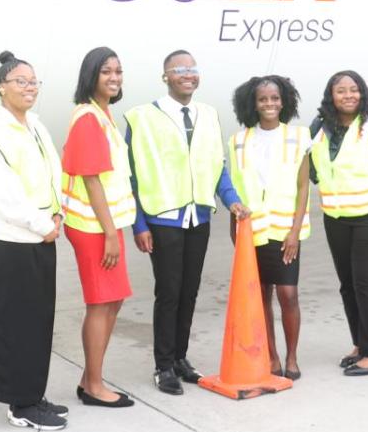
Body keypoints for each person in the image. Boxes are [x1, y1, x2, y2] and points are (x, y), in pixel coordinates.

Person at [0, 51, 68, 431]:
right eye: (20, 81)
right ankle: (20, 404)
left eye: (34, 81)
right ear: (1, 87)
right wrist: (42, 224)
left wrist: (57, 214)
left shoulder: (35, 126)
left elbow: (54, 175)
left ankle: (33, 392)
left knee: (37, 322)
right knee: (13, 325)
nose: (29, 87)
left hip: (39, 237)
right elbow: (6, 197)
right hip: (7, 242)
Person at [125, 50, 249, 395]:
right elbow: (131, 174)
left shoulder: (208, 114)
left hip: (199, 216)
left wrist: (232, 199)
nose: (187, 74)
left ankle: (180, 358)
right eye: (178, 69)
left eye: (192, 68)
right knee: (168, 292)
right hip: (162, 217)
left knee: (189, 291)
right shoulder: (142, 117)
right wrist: (139, 224)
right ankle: (163, 365)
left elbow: (216, 165)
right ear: (165, 76)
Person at [309, 70, 368, 377]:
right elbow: (313, 166)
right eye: (341, 91)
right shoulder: (321, 126)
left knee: (367, 283)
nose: (348, 95)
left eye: (354, 90)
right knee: (348, 285)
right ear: (331, 96)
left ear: (363, 92)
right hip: (337, 217)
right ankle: (360, 344)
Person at [61, 47, 137, 408]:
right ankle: (93, 385)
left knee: (114, 299)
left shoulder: (104, 115)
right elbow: (91, 180)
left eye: (118, 71)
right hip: (93, 226)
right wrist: (109, 234)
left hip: (105, 223)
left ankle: (89, 376)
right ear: (90, 74)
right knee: (101, 302)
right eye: (106, 71)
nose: (114, 77)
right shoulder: (88, 118)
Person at [228, 75, 312, 380]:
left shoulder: (299, 137)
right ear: (253, 103)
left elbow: (303, 188)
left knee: (288, 294)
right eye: (263, 99)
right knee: (260, 296)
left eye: (275, 98)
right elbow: (236, 189)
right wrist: (235, 234)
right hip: (253, 232)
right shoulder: (238, 141)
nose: (270, 104)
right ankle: (272, 356)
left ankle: (292, 356)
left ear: (284, 100)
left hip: (285, 232)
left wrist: (294, 232)